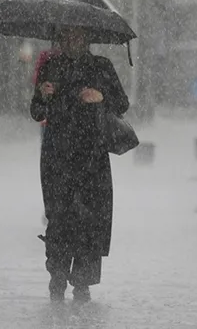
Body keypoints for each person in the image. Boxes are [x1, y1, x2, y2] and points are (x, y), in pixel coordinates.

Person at [30, 26, 128, 303]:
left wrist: (101, 97)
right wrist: (43, 93)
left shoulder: (101, 67)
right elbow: (36, 110)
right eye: (67, 36)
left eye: (78, 36)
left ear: (87, 38)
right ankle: (57, 276)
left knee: (90, 217)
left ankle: (82, 281)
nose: (73, 41)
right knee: (59, 216)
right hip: (56, 154)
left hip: (92, 154)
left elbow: (121, 104)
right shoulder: (51, 65)